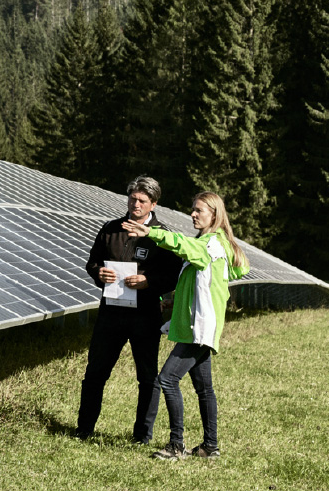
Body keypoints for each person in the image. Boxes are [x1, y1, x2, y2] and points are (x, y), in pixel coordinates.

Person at [123, 191, 250, 460]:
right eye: (192, 209)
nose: (192, 214)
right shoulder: (215, 244)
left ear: (214, 215)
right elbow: (239, 268)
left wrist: (152, 233)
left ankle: (176, 445)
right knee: (204, 389)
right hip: (199, 327)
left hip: (198, 330)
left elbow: (181, 245)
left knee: (167, 380)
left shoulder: (210, 245)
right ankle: (210, 446)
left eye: (198, 210)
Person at [73, 176, 176, 443]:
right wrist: (100, 274)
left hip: (145, 315)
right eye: (132, 198)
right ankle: (83, 429)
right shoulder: (110, 229)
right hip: (110, 313)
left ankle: (142, 435)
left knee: (147, 377)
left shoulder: (162, 236)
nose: (136, 204)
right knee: (95, 373)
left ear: (153, 203)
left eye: (142, 200)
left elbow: (173, 275)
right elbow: (92, 263)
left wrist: (148, 282)